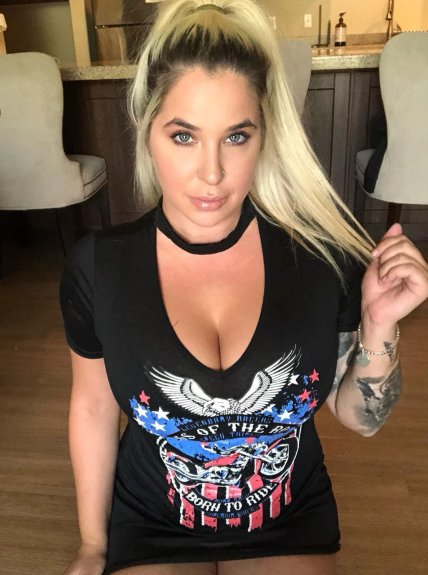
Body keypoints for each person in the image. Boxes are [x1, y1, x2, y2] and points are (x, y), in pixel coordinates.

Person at [59, 1, 428, 574]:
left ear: (264, 137)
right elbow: (92, 407)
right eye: (184, 136)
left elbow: (361, 418)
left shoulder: (324, 260)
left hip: (288, 520)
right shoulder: (97, 267)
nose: (211, 173)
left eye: (235, 136)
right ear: (148, 131)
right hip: (152, 521)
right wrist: (92, 545)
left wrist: (380, 325)